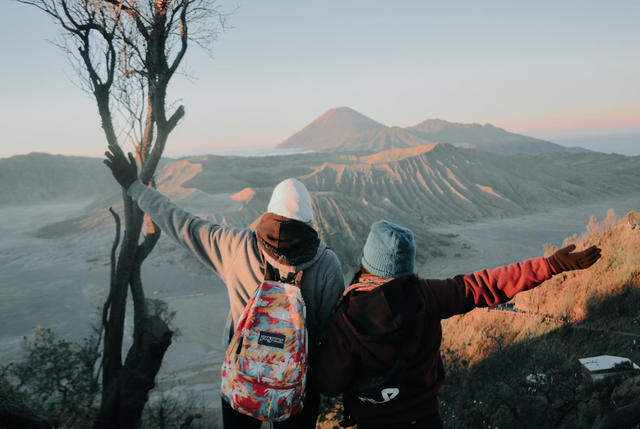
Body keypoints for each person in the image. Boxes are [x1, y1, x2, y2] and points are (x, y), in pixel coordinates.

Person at [104, 144, 345, 429]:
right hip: (297, 385)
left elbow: (180, 222)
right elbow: (331, 336)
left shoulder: (235, 246)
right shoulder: (327, 264)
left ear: (269, 212)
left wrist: (133, 185)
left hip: (243, 377)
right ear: (310, 219)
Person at [313, 220, 602, 429]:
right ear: (406, 267)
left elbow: (330, 384)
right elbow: (486, 284)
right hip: (427, 420)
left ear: (367, 263)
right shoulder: (428, 294)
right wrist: (551, 265)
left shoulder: (345, 318)